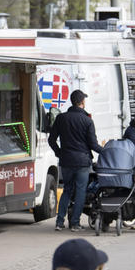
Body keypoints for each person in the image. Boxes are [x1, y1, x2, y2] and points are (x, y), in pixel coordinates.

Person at [49, 89, 104, 231]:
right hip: (82, 161)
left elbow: (51, 140)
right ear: (82, 102)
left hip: (66, 161)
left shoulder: (61, 118)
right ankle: (75, 223)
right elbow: (93, 144)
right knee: (80, 191)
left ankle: (59, 222)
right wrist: (106, 150)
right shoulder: (87, 120)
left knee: (67, 190)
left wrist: (59, 153)